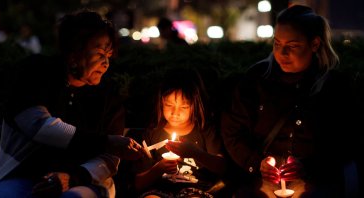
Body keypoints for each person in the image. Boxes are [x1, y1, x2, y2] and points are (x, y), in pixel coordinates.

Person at [0, 9, 145, 198]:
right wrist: (106, 142)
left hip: (84, 181)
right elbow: (39, 125)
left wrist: (73, 177)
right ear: (73, 53)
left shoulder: (108, 96)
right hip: (24, 177)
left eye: (108, 55)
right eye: (100, 53)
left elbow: (109, 159)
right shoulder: (37, 72)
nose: (106, 63)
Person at [220, 5, 361, 198]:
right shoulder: (257, 78)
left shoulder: (335, 86)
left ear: (315, 44)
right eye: (277, 44)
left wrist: (309, 167)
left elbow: (347, 141)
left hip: (317, 184)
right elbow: (232, 131)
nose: (282, 53)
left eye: (293, 46)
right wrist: (256, 164)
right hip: (260, 183)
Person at [124, 67, 228, 198]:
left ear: (195, 105)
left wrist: (195, 153)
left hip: (196, 191)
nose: (175, 113)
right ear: (161, 102)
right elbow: (138, 184)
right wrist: (159, 168)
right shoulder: (152, 134)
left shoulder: (205, 131)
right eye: (169, 105)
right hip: (158, 191)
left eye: (183, 107)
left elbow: (222, 168)